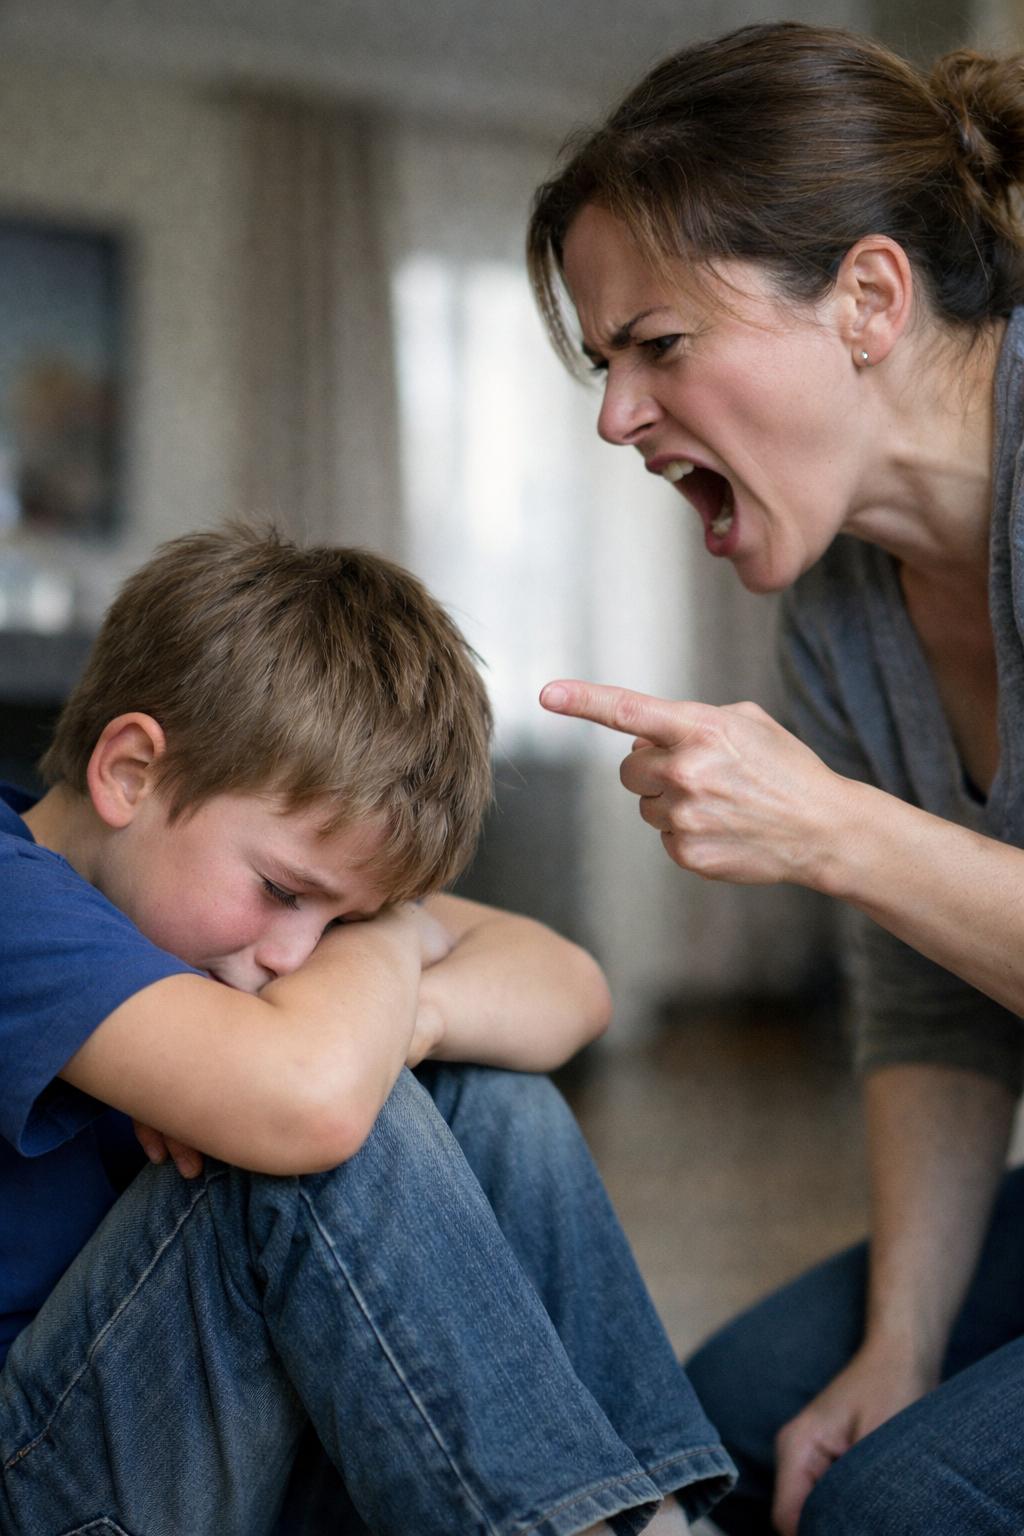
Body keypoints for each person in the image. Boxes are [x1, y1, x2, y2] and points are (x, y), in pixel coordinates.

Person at [526, 20, 1024, 1536]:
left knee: (895, 1504)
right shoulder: (840, 611)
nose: (615, 415)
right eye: (605, 362)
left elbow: (870, 859)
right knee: (723, 1432)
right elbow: (937, 1002)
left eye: (658, 345)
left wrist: (832, 828)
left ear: (870, 297)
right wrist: (902, 1343)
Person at [0, 524, 735, 1536]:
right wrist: (385, 953)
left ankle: (650, 1515)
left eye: (340, 918)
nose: (300, 954)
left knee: (490, 1095)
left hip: (227, 1443)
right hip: (43, 1478)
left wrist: (404, 1015)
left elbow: (571, 987)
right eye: (282, 891)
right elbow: (313, 1097)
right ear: (129, 772)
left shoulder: (255, 912)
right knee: (342, 1108)